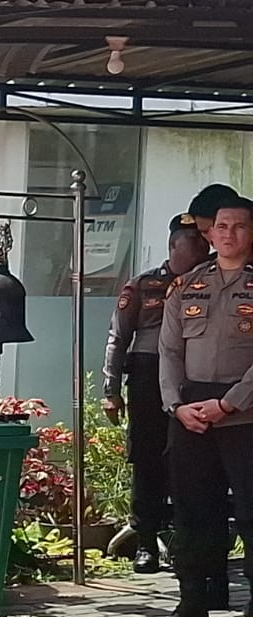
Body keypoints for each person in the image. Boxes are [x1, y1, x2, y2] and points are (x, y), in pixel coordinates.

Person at [157, 196, 253, 617]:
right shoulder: (187, 285)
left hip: (244, 413)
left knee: (250, 513)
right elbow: (168, 351)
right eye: (222, 226)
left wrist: (230, 403)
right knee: (192, 512)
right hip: (191, 412)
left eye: (239, 226)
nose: (229, 234)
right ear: (210, 234)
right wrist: (175, 405)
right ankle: (193, 603)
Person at [102, 214, 211, 573]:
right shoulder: (143, 285)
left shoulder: (210, 283)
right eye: (194, 241)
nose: (203, 247)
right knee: (148, 459)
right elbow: (118, 338)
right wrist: (110, 390)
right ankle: (146, 542)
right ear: (174, 245)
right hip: (149, 376)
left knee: (189, 462)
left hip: (192, 377)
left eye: (204, 241)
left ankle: (185, 543)